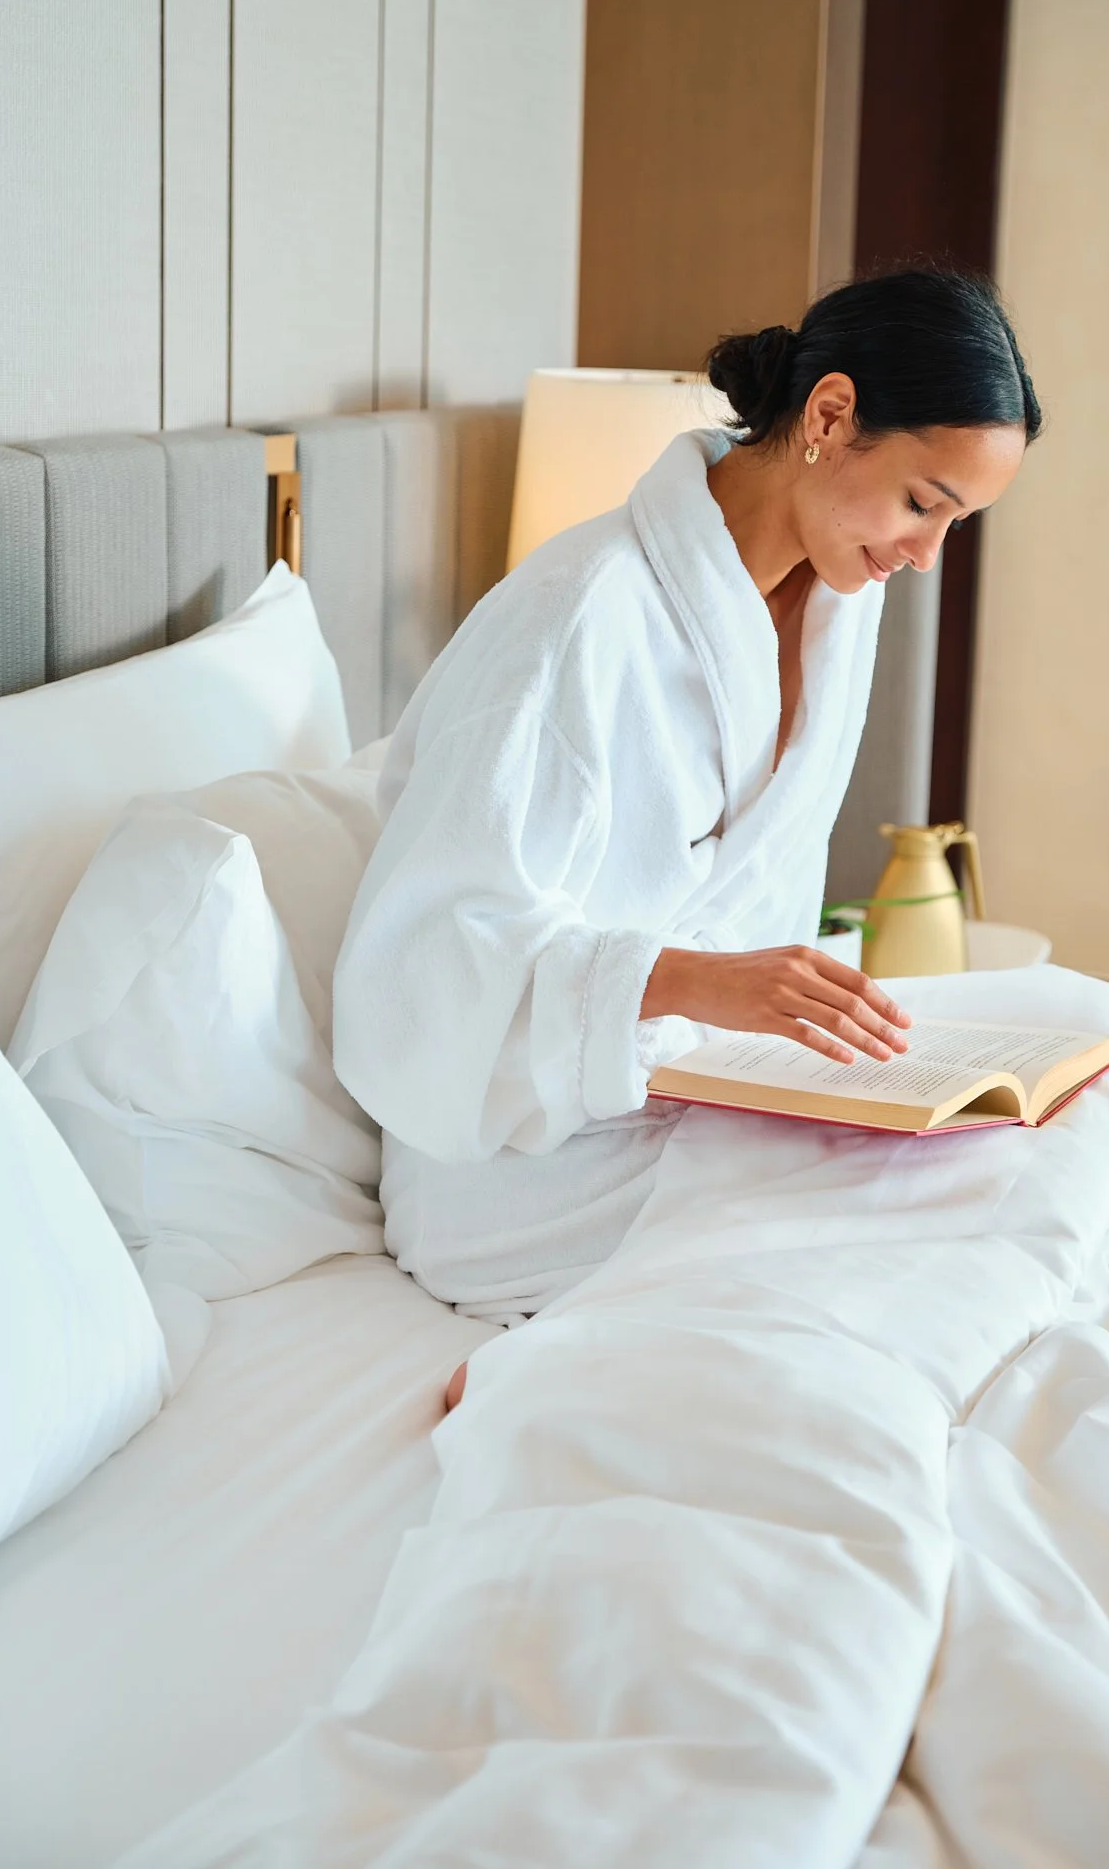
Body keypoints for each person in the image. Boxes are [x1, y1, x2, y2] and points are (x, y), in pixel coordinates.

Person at [332, 267, 1041, 1407]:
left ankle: (668, 1317)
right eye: (923, 501)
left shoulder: (840, 605)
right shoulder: (571, 619)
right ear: (828, 417)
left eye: (953, 521)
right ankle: (570, 1363)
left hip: (707, 1098)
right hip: (519, 1149)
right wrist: (695, 983)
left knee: (1072, 1078)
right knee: (924, 1222)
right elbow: (420, 975)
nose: (925, 554)